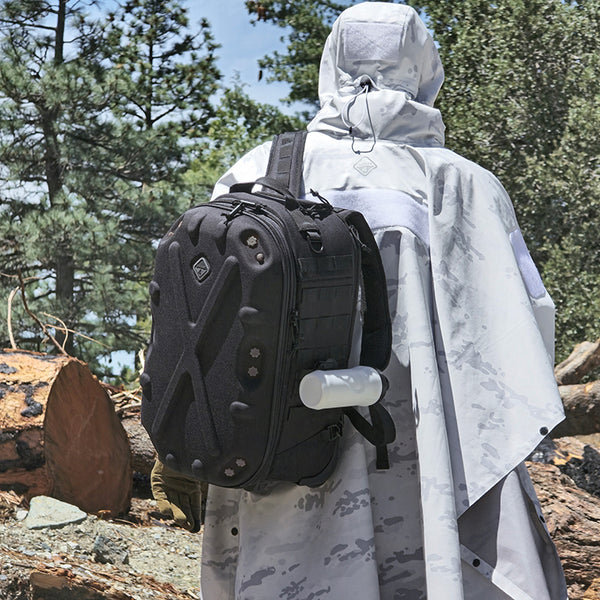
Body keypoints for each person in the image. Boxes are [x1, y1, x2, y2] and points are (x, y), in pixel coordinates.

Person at [186, 3, 569, 598]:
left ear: (332, 63)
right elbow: (527, 327)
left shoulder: (257, 171)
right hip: (422, 464)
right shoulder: (460, 183)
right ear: (422, 67)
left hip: (280, 452)